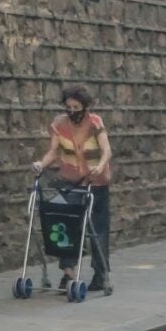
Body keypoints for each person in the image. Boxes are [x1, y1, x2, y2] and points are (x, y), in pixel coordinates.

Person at [33, 86, 113, 294]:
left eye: (76, 107)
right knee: (64, 225)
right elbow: (53, 151)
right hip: (71, 181)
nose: (71, 111)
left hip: (95, 182)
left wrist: (100, 166)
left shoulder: (95, 123)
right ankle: (68, 272)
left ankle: (100, 273)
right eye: (68, 107)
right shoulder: (60, 124)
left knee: (97, 229)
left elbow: (107, 150)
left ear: (85, 107)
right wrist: (41, 164)